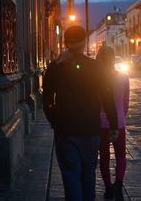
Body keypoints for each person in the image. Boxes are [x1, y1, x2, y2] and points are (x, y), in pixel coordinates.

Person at [43, 26, 119, 201]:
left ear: (65, 43)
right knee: (88, 176)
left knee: (71, 176)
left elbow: (47, 99)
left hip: (66, 130)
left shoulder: (55, 67)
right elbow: (107, 97)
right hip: (90, 130)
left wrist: (55, 121)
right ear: (84, 42)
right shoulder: (97, 67)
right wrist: (113, 124)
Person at [96, 46, 130, 201]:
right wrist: (120, 116)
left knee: (104, 157)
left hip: (100, 123)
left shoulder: (94, 79)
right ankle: (119, 185)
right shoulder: (123, 77)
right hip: (119, 123)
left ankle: (108, 188)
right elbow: (126, 104)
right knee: (121, 155)